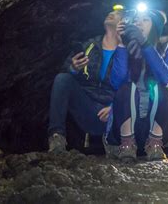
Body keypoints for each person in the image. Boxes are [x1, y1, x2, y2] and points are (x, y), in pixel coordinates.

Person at [106, 8, 168, 162]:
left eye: (145, 19)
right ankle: (127, 145)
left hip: (156, 127)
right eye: (137, 19)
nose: (139, 22)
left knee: (163, 89)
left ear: (155, 27)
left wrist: (145, 45)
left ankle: (154, 145)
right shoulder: (127, 49)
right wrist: (120, 44)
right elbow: (116, 82)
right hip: (129, 124)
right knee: (126, 87)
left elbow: (164, 77)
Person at [47, 8, 123, 153]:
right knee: (63, 79)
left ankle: (118, 143)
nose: (111, 13)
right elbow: (64, 71)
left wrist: (115, 107)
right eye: (111, 12)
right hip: (87, 107)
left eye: (119, 14)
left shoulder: (127, 50)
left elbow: (134, 85)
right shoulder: (90, 45)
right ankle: (57, 138)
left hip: (113, 112)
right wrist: (74, 68)